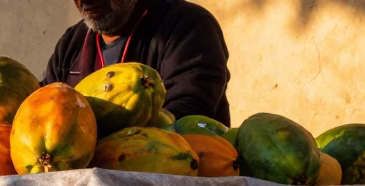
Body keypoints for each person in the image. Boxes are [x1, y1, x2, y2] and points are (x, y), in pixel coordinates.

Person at [44, 0, 231, 124]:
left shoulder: (188, 25)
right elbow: (44, 107)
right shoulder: (71, 43)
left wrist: (84, 137)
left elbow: (184, 117)